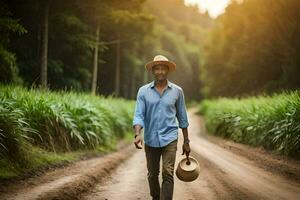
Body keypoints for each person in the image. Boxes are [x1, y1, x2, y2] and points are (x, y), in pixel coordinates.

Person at [132, 55, 191, 200]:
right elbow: (139, 115)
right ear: (153, 71)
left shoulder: (177, 91)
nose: (160, 71)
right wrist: (138, 134)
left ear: (167, 70)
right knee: (152, 174)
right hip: (151, 138)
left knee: (168, 172)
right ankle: (156, 197)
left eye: (163, 68)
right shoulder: (143, 91)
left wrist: (186, 141)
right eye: (157, 68)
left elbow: (182, 118)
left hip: (170, 138)